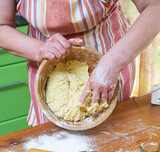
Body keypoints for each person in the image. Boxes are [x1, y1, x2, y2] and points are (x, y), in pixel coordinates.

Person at [0, 0, 160, 126]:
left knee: (111, 141)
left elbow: (155, 6)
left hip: (109, 60)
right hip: (46, 63)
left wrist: (114, 62)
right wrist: (40, 49)